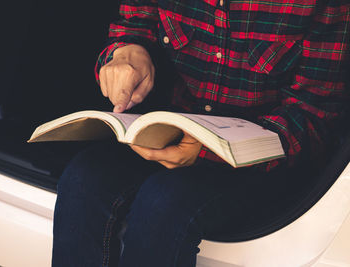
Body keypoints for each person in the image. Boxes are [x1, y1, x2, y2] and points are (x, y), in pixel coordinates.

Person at [52, 1, 349, 266]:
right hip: (171, 132)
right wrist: (128, 53)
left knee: (165, 203)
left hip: (258, 162)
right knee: (83, 176)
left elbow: (314, 118)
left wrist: (210, 149)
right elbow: (132, 26)